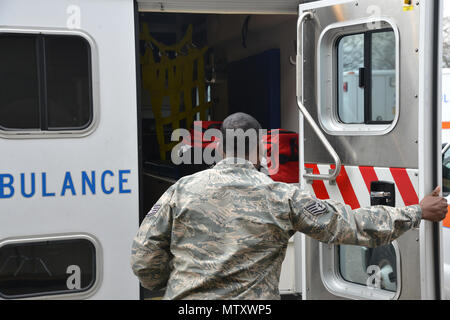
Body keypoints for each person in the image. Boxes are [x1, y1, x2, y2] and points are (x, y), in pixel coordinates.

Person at [130, 112, 448, 300]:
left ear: (217, 146)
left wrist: (168, 284)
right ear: (259, 147)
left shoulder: (178, 191)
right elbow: (350, 225)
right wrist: (416, 211)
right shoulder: (282, 196)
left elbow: (144, 260)